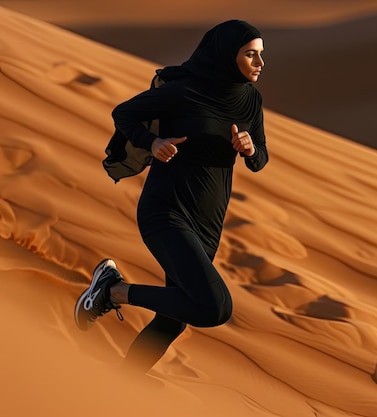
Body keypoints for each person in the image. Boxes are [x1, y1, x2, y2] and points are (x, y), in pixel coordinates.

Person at [74, 20, 268, 374]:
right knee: (214, 307)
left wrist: (250, 148)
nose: (260, 63)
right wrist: (154, 143)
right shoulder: (185, 92)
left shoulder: (250, 100)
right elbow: (124, 112)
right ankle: (113, 290)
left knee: (172, 321)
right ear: (228, 54)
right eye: (250, 54)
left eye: (261, 54)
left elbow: (260, 160)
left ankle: (118, 390)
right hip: (166, 213)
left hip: (208, 224)